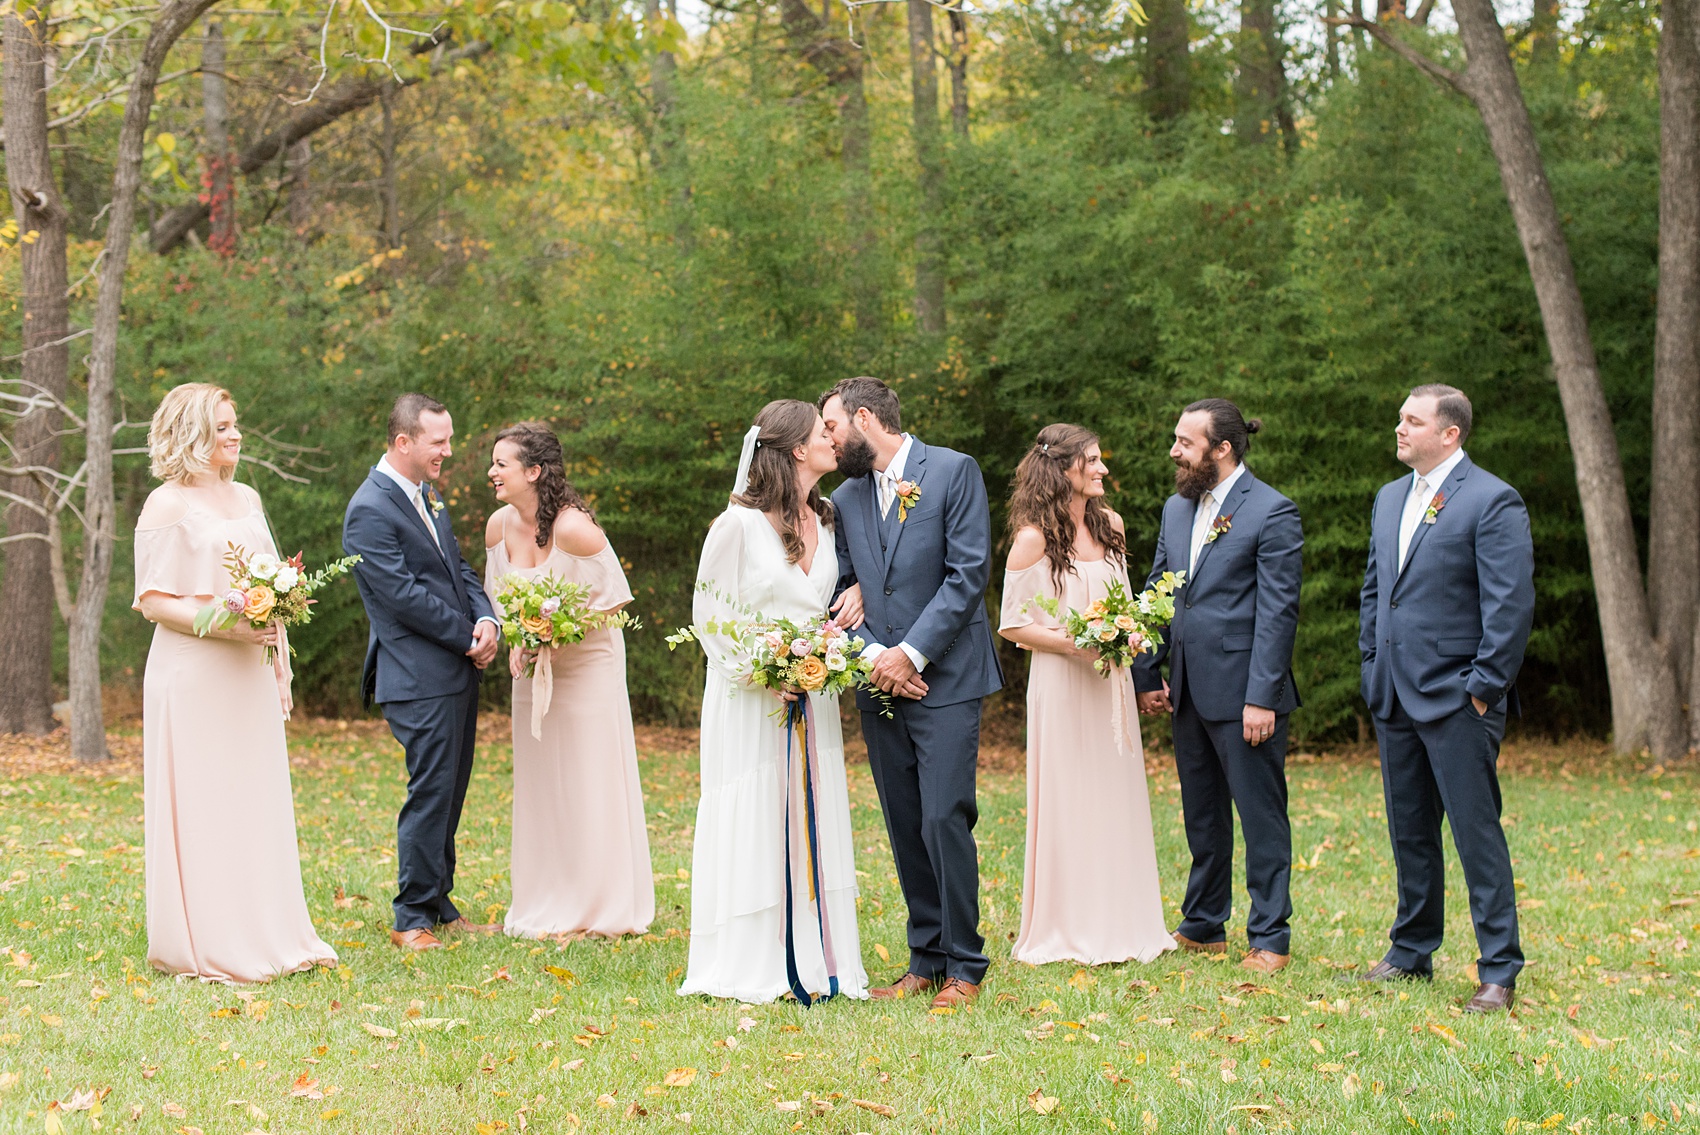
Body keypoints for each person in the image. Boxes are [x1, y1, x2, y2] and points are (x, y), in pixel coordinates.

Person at [133, 383, 337, 982]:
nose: (236, 434)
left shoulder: (246, 495)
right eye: (223, 427)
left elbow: (267, 576)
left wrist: (277, 611)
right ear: (193, 433)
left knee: (252, 794)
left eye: (235, 424)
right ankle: (210, 939)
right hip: (193, 673)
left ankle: (267, 929)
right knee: (205, 800)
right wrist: (222, 625)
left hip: (248, 671)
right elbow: (152, 600)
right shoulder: (165, 504)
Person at [820, 377, 1004, 1009]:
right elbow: (841, 589)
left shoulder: (953, 472)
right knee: (903, 821)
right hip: (879, 680)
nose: (828, 438)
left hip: (944, 675)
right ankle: (924, 958)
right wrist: (877, 657)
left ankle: (965, 965)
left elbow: (968, 573)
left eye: (833, 426)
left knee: (942, 814)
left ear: (864, 418)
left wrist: (911, 653)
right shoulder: (842, 498)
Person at [679, 399, 869, 1003]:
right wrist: (764, 673)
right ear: (794, 451)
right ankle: (752, 960)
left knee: (810, 808)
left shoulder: (833, 518)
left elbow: (833, 591)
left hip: (814, 694)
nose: (833, 439)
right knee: (757, 809)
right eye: (822, 434)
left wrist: (856, 595)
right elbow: (709, 616)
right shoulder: (735, 525)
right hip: (749, 697)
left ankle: (818, 959)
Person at [1358, 385, 1534, 1014]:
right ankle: (1411, 950)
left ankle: (1499, 969)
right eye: (1400, 416)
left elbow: (1509, 606)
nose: (1399, 428)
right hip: (1394, 695)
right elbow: (1378, 588)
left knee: (1475, 834)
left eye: (1413, 420)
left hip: (1459, 698)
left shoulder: (1492, 500)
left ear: (1450, 433)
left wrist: (1483, 689)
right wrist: (1372, 661)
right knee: (1410, 832)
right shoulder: (1388, 498)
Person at [1134, 399, 1302, 975]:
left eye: (1185, 442)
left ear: (1222, 448)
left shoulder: (1273, 512)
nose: (1174, 451)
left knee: (1260, 816)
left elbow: (1279, 614)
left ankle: (1270, 938)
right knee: (1202, 815)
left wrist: (1261, 697)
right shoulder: (1176, 510)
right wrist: (1146, 671)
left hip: (1245, 694)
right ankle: (1204, 925)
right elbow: (1157, 592)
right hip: (1185, 685)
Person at [998, 425, 1175, 967]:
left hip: (1112, 682)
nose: (1101, 469)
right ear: (1063, 469)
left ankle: (1125, 918)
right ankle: (1068, 925)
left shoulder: (1112, 525)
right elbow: (1012, 625)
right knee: (1070, 794)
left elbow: (1123, 604)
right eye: (1092, 461)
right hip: (1063, 682)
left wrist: (1133, 633)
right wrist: (1074, 645)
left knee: (1114, 793)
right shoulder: (1033, 538)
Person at [484, 422, 654, 938]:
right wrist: (521, 637)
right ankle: (546, 895)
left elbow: (615, 601)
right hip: (531, 672)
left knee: (589, 778)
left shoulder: (574, 528)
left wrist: (555, 636)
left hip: (587, 668)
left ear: (533, 472)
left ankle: (600, 904)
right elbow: (500, 598)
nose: (491, 472)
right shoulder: (498, 526)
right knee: (543, 784)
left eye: (501, 464)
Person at [343, 393, 500, 952]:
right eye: (439, 441)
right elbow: (402, 597)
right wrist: (466, 638)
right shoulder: (370, 509)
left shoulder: (426, 496)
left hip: (454, 670)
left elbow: (457, 568)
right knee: (430, 792)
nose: (448, 451)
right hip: (415, 677)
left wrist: (485, 618)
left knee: (450, 792)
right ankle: (410, 917)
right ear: (403, 441)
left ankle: (440, 903)